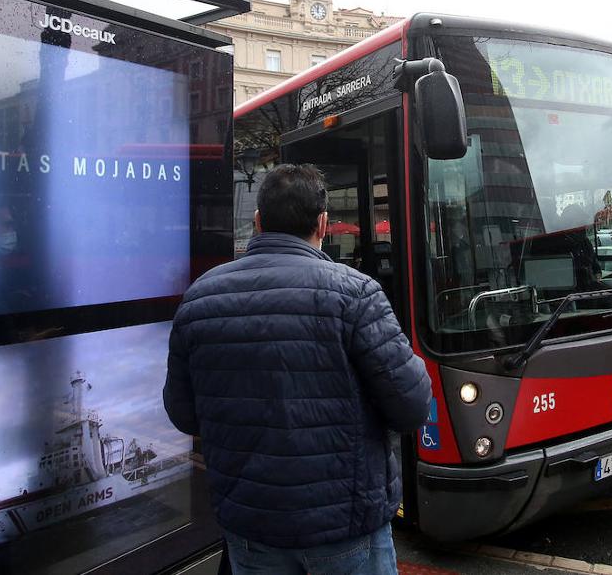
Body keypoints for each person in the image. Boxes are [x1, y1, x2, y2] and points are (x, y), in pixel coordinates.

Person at [163, 164, 431, 575]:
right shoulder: (356, 295)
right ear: (322, 224)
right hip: (346, 530)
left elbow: (183, 414)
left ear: (257, 222)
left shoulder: (199, 298)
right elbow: (412, 407)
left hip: (253, 531)